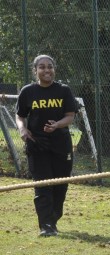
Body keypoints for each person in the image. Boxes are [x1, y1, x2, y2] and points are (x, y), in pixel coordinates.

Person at [15, 54, 76, 237]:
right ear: (35, 71)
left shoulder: (63, 90)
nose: (46, 70)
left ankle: (53, 219)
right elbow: (20, 116)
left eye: (49, 66)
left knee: (60, 185)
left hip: (61, 145)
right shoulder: (28, 92)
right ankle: (46, 225)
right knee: (43, 186)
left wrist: (57, 125)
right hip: (37, 145)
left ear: (54, 69)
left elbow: (70, 116)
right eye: (41, 67)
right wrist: (23, 130)